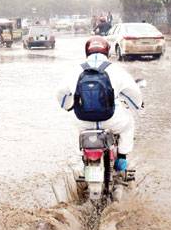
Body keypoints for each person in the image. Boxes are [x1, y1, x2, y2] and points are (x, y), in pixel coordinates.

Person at [57, 36, 143, 175]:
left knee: (73, 129)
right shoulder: (116, 70)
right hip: (111, 121)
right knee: (128, 124)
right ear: (107, 52)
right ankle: (121, 158)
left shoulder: (75, 70)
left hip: (83, 122)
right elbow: (133, 94)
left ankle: (82, 159)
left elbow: (61, 93)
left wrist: (68, 106)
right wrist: (137, 105)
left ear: (87, 52)